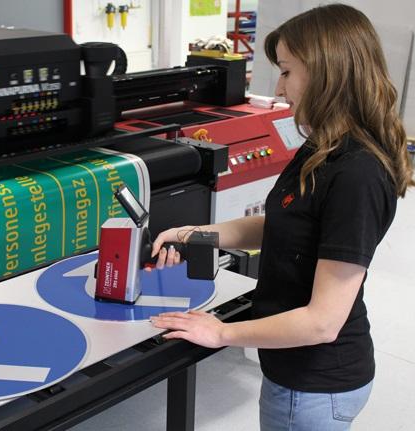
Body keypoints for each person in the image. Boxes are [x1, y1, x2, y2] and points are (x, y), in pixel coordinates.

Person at [148, 3, 414, 430]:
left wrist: (221, 333)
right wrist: (194, 232)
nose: (279, 86)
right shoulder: (323, 147)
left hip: (313, 384)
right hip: (296, 373)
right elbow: (283, 225)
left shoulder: (357, 174)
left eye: (287, 71)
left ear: (327, 72)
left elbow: (323, 323)